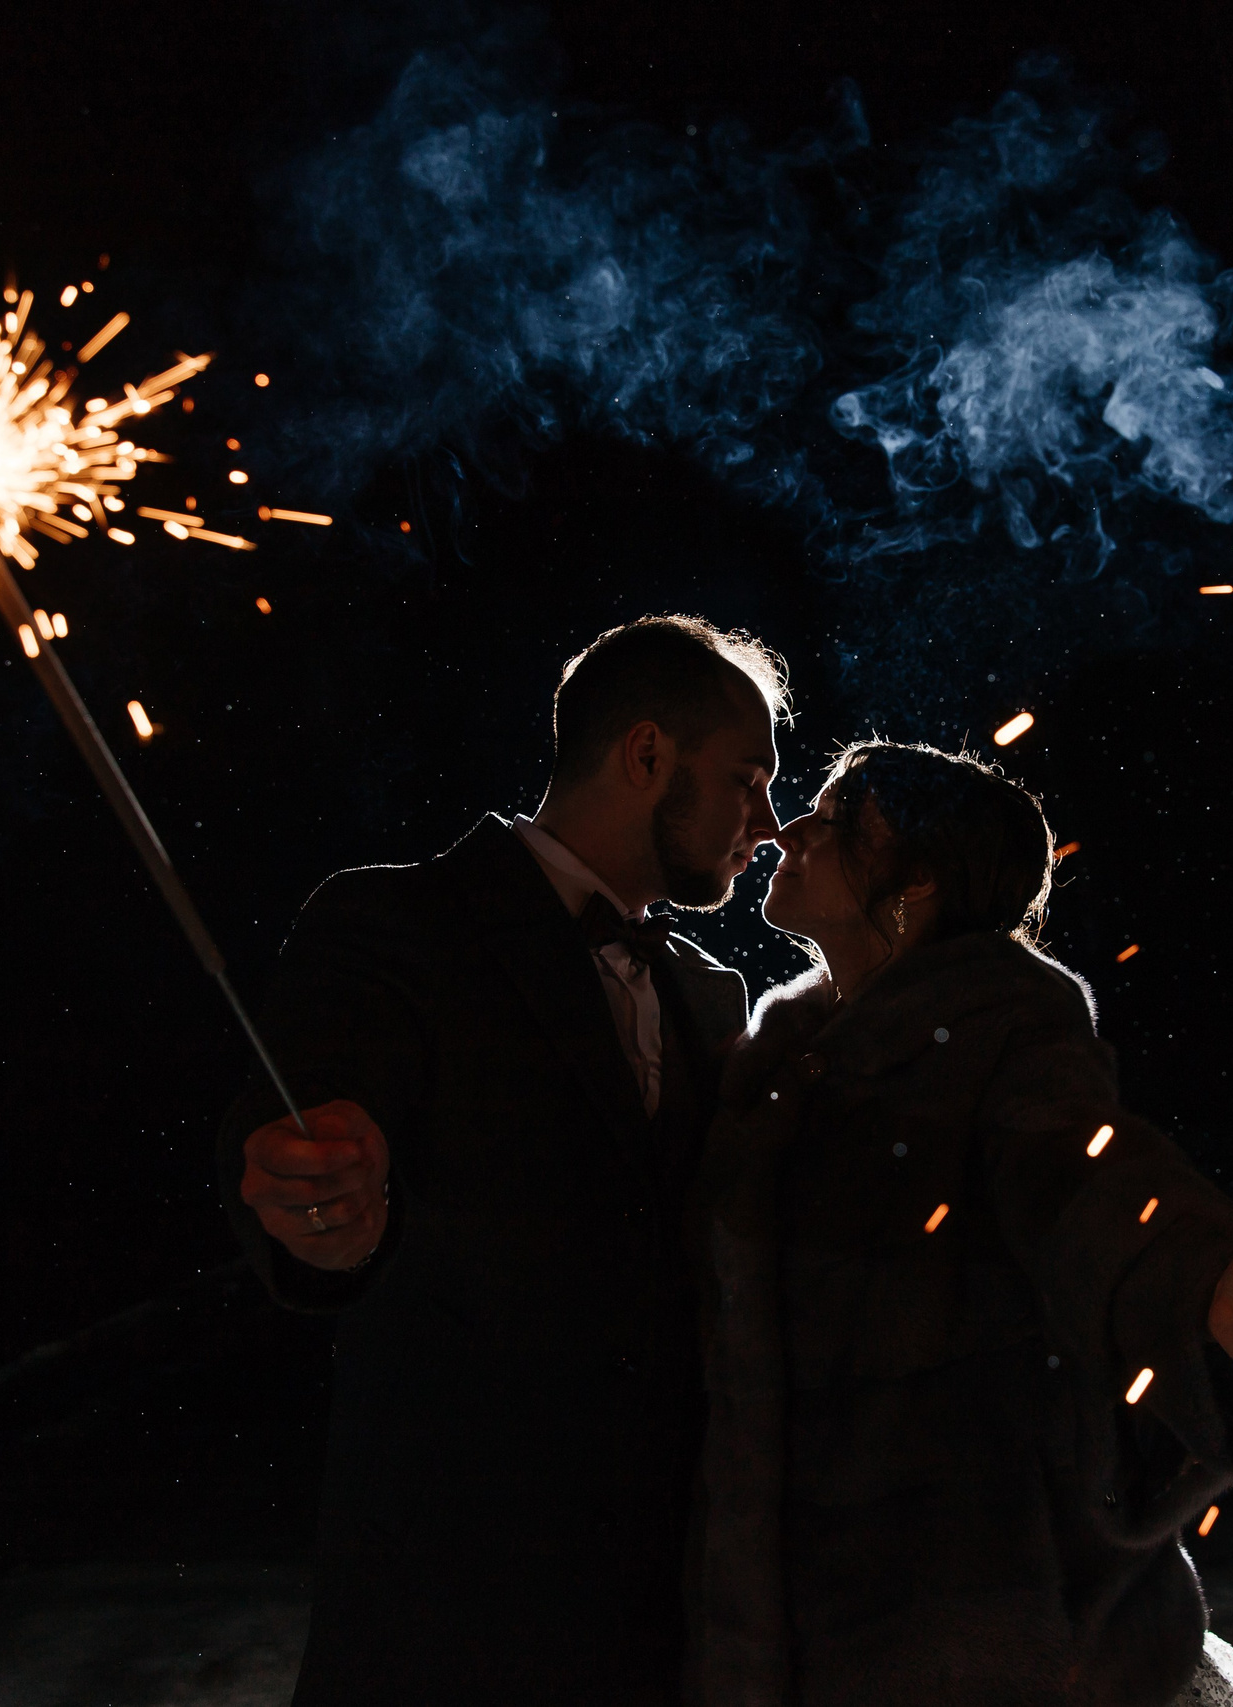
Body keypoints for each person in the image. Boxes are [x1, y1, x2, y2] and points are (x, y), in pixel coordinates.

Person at [688, 740, 1233, 1707]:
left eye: (835, 820)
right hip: (810, 1613)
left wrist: (1212, 1288)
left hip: (968, 1625)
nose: (791, 830)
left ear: (913, 887)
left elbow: (1095, 1181)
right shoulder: (784, 1057)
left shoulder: (1001, 1040)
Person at [216, 615, 787, 1704]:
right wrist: (318, 1201)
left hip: (666, 1628)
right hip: (452, 1612)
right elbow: (308, 1125)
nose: (764, 823)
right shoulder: (395, 921)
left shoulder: (711, 997)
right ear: (647, 755)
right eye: (746, 780)